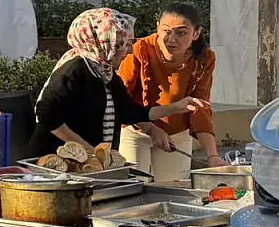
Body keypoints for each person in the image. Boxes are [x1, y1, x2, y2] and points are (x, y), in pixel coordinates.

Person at [26, 8, 208, 160]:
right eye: (124, 44)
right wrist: (88, 150)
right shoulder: (74, 70)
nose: (129, 51)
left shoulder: (107, 74)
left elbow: (132, 112)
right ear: (105, 44)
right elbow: (46, 114)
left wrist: (176, 107)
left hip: (87, 164)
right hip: (55, 163)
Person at [118, 2, 222, 178]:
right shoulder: (137, 51)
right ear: (158, 27)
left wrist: (213, 156)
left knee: (174, 189)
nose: (171, 39)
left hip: (177, 135)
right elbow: (121, 101)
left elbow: (200, 108)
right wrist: (151, 129)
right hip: (136, 131)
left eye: (181, 33)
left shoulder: (205, 58)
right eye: (166, 31)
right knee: (133, 186)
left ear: (196, 33)